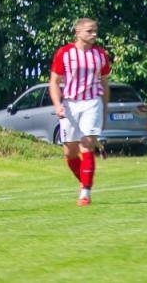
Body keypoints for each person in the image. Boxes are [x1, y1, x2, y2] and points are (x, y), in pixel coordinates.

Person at [50, 17, 112, 207]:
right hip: (70, 104)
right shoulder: (64, 53)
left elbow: (104, 83)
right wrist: (57, 105)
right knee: (70, 153)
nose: (94, 34)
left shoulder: (100, 54)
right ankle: (83, 179)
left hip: (92, 102)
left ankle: (85, 193)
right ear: (77, 33)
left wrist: (104, 107)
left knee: (87, 145)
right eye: (89, 31)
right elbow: (54, 81)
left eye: (95, 31)